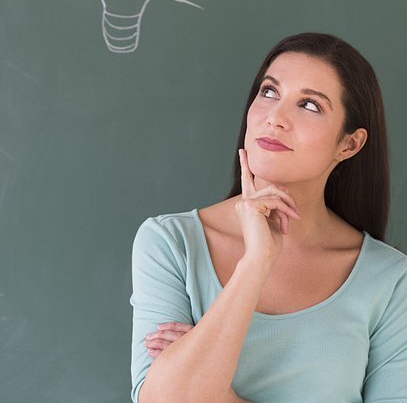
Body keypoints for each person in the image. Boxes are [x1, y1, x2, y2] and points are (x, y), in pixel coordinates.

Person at [130, 32, 407, 403]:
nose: (275, 117)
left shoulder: (390, 281)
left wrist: (219, 395)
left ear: (349, 144)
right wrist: (256, 262)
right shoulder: (171, 242)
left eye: (309, 105)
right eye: (269, 92)